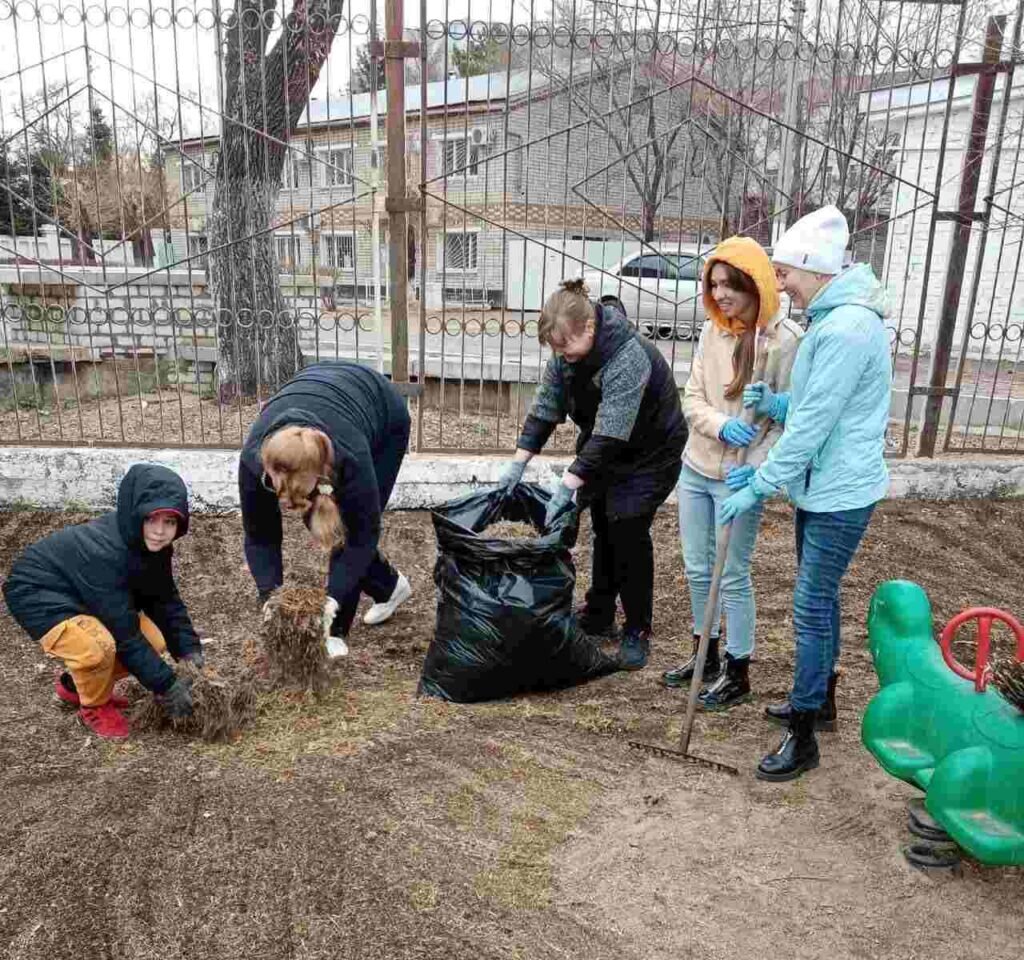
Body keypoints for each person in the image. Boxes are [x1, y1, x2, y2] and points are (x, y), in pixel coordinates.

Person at [720, 205, 892, 781]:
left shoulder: (846, 328)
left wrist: (760, 483)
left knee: (811, 605)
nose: (782, 283)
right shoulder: (834, 319)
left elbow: (815, 423)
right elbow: (819, 401)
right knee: (821, 598)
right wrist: (776, 404)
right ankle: (821, 702)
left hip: (840, 491)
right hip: (824, 486)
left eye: (786, 272)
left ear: (815, 269)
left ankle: (803, 732)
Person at [498, 278, 688, 670]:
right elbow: (545, 409)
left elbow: (611, 433)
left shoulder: (628, 355)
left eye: (565, 346)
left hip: (651, 453)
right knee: (603, 523)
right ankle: (600, 612)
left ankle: (637, 628)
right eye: (555, 348)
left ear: (589, 327)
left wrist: (568, 485)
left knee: (627, 529)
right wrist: (517, 463)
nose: (560, 355)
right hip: (606, 446)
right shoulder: (565, 356)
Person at [662, 238, 802, 708]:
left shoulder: (785, 341)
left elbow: (787, 423)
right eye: (715, 284)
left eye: (730, 285)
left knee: (733, 573)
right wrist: (722, 426)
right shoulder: (712, 331)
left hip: (740, 478)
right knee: (698, 567)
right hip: (697, 467)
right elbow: (692, 399)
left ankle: (738, 669)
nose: (720, 294)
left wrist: (757, 469)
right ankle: (705, 654)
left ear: (754, 284)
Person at [2, 463, 200, 741]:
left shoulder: (152, 547)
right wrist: (167, 686)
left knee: (154, 640)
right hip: (38, 592)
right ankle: (94, 707)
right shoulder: (107, 552)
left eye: (169, 522)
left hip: (84, 592)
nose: (159, 531)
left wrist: (190, 655)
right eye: (150, 519)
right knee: (98, 648)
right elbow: (124, 634)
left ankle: (75, 687)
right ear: (135, 514)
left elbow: (165, 602)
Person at [239, 360, 412, 642]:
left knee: (342, 528)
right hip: (318, 386)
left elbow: (361, 537)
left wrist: (334, 607)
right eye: (278, 491)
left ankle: (336, 632)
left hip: (382, 412)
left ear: (321, 476)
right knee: (322, 522)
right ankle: (389, 586)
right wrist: (269, 596)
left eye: (299, 495)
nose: (288, 505)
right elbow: (260, 537)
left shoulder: (352, 459)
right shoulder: (253, 461)